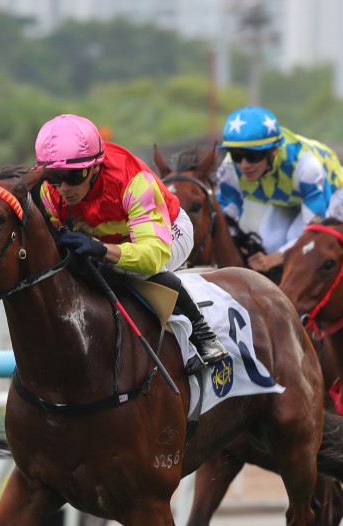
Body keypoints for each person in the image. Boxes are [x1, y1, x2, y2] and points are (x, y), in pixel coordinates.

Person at [35, 113, 228, 372]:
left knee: (132, 271)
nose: (64, 189)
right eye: (55, 178)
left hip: (167, 231)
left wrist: (101, 249)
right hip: (114, 237)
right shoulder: (51, 191)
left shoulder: (131, 180)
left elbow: (151, 257)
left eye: (73, 177)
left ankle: (204, 336)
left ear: (95, 167)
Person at [216, 105, 343, 274]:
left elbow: (313, 236)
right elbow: (225, 223)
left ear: (274, 151)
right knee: (269, 243)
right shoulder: (229, 170)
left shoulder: (307, 167)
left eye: (253, 156)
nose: (244, 165)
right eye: (237, 155)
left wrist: (276, 258)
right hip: (290, 198)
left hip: (336, 190)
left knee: (297, 243)